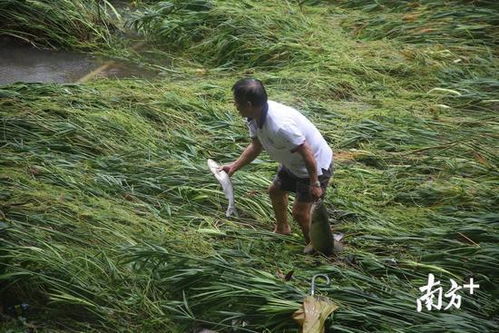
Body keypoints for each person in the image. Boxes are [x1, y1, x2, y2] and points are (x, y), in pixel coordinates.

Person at [221, 78, 334, 247]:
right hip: (292, 162)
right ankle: (283, 228)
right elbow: (256, 146)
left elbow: (308, 153)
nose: (235, 106)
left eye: (237, 102)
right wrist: (234, 167)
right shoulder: (254, 116)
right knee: (275, 191)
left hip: (314, 166)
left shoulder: (281, 126)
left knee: (300, 214)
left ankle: (318, 248)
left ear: (250, 104)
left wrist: (315, 183)